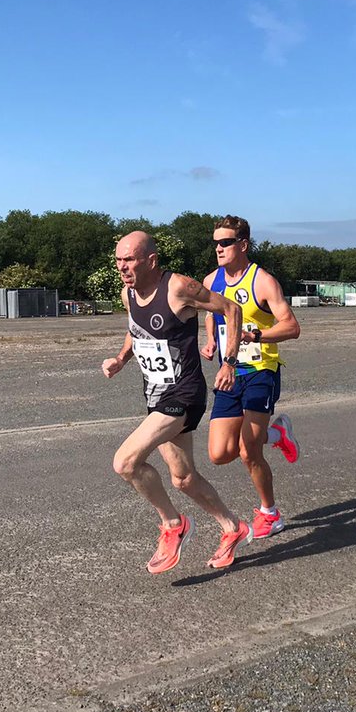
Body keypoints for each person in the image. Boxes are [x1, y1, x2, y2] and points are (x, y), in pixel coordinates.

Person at [102, 231, 251, 574]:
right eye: (118, 260)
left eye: (129, 260)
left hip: (184, 395)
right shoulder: (129, 294)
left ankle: (173, 524)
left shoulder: (179, 288)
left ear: (151, 260)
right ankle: (233, 528)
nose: (122, 267)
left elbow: (231, 309)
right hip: (155, 395)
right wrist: (121, 359)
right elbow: (135, 328)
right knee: (183, 478)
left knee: (125, 462)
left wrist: (229, 361)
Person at [199, 215, 301, 540]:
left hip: (261, 371)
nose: (219, 248)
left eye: (225, 242)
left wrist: (256, 336)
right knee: (219, 454)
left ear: (242, 244)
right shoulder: (210, 281)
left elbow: (291, 326)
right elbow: (211, 314)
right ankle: (278, 434)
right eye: (215, 242)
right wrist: (212, 340)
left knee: (248, 450)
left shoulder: (263, 281)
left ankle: (269, 513)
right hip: (228, 373)